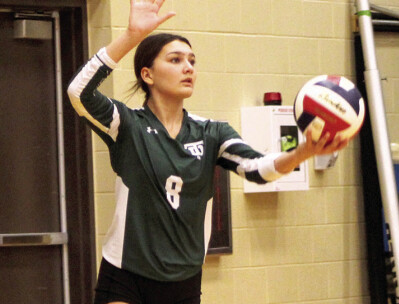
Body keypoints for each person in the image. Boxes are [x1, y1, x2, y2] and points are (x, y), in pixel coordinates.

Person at [67, 0, 349, 303]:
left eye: (192, 60)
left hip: (183, 279)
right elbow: (78, 92)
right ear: (147, 75)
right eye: (175, 60)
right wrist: (131, 37)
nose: (188, 67)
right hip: (126, 272)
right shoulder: (127, 125)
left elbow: (257, 169)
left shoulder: (212, 132)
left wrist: (302, 152)